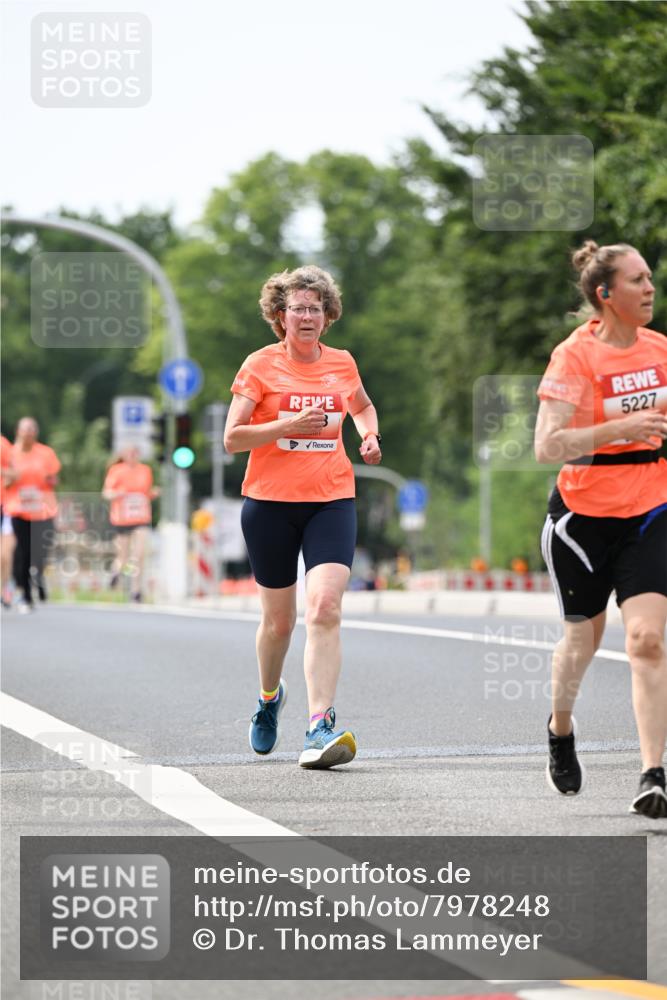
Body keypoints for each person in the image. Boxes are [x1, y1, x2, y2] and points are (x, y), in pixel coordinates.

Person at [224, 264, 382, 769]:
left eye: (316, 307)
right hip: (268, 505)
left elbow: (361, 406)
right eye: (297, 308)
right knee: (279, 623)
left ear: (327, 315)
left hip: (330, 500)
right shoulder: (260, 366)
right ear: (280, 316)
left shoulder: (341, 363)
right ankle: (270, 698)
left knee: (325, 608)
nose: (307, 315)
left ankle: (320, 725)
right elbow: (232, 437)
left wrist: (369, 433)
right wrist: (286, 423)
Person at [535, 240, 667, 818]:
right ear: (604, 294)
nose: (650, 288)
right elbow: (548, 445)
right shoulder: (574, 358)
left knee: (646, 640)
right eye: (637, 280)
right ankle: (561, 728)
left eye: (650, 279)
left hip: (651, 509)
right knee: (582, 642)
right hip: (583, 519)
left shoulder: (661, 349)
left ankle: (652, 772)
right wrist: (620, 427)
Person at [3, 417, 60, 613]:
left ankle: (38, 573)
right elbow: (4, 481)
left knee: (42, 549)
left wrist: (49, 480)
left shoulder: (46, 453)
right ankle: (25, 594)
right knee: (22, 551)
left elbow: (54, 478)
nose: (28, 433)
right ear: (18, 431)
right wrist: (11, 479)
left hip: (43, 508)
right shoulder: (9, 454)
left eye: (32, 429)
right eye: (25, 429)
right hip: (18, 508)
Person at [102, 445, 160, 603]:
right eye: (130, 453)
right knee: (123, 556)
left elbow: (146, 492)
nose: (133, 456)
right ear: (124, 455)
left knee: (139, 555)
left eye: (136, 453)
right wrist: (117, 494)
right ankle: (116, 573)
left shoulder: (145, 470)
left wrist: (153, 493)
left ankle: (136, 591)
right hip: (122, 518)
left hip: (141, 518)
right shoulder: (116, 470)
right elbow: (106, 493)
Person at [1, 434, 17, 608]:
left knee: (4, 555)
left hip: (5, 506)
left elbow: (15, 473)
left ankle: (6, 588)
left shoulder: (3, 445)